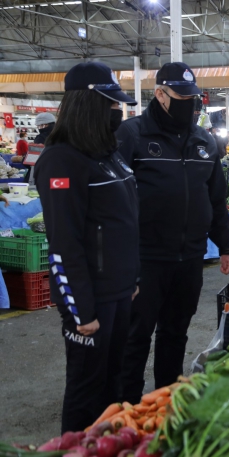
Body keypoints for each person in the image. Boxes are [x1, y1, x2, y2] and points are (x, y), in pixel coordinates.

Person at [116, 62, 229, 404]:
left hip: (189, 258)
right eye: (182, 96)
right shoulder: (132, 135)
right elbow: (114, 200)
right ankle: (128, 406)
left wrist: (226, 246)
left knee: (175, 333)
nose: (190, 102)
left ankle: (164, 402)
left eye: (193, 96)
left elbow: (216, 199)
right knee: (136, 336)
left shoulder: (204, 142)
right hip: (145, 258)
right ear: (160, 95)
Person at [33, 62, 139, 433]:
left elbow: (120, 223)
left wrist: (131, 280)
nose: (117, 111)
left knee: (114, 384)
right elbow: (65, 244)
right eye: (111, 104)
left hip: (119, 292)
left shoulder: (106, 154)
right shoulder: (61, 160)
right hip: (91, 299)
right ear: (88, 105)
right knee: (86, 388)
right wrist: (81, 311)